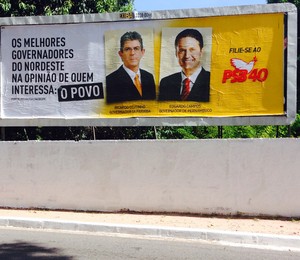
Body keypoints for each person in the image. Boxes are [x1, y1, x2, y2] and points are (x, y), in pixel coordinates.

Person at [158, 29, 210, 102]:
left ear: (201, 52)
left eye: (192, 49)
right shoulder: (166, 83)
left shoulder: (211, 80)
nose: (187, 55)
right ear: (176, 53)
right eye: (182, 50)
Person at [106, 31, 156, 103]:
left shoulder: (149, 77)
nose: (132, 53)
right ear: (121, 54)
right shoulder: (110, 81)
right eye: (127, 49)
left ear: (142, 52)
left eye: (136, 48)